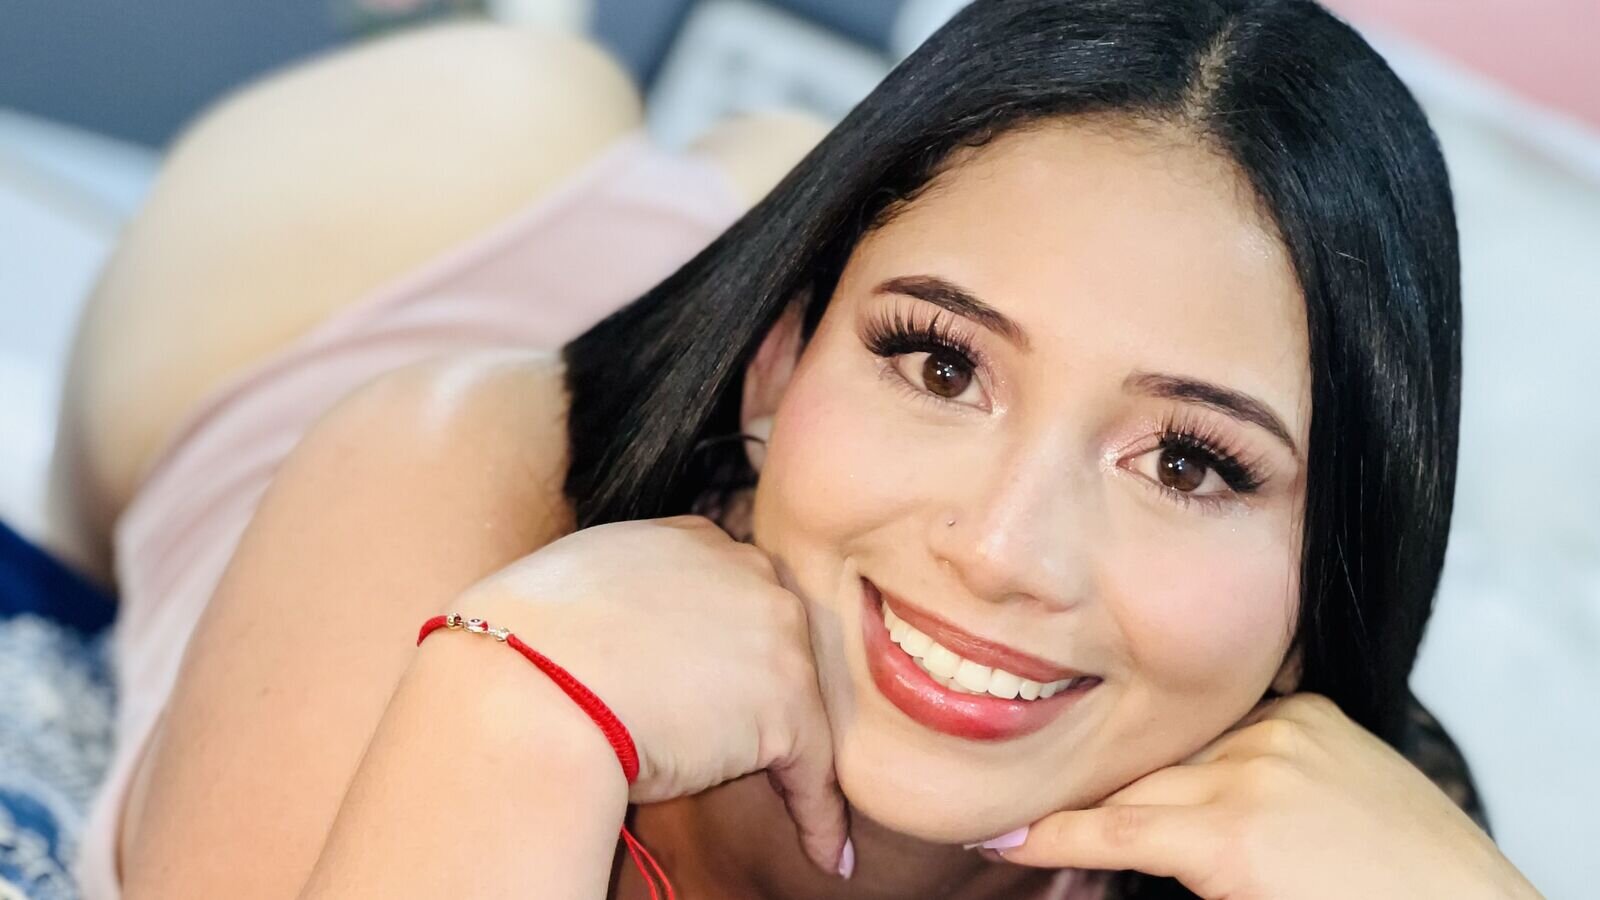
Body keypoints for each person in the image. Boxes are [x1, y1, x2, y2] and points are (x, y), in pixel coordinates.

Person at [53, 2, 1542, 898]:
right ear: (777, 366)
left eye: (1189, 463)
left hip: (791, 357)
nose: (1004, 551)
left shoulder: (1351, 848)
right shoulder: (441, 486)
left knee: (811, 193)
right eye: (942, 363)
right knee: (505, 94)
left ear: (1323, 580)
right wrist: (510, 718)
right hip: (382, 283)